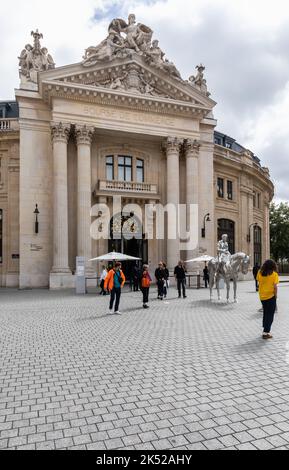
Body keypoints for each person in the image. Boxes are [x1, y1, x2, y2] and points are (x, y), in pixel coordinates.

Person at [257, 260, 279, 340]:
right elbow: (275, 287)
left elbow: (259, 282)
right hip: (271, 296)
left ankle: (265, 328)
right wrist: (276, 296)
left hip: (262, 296)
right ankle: (266, 332)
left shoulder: (259, 272)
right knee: (270, 314)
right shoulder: (274, 274)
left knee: (266, 313)